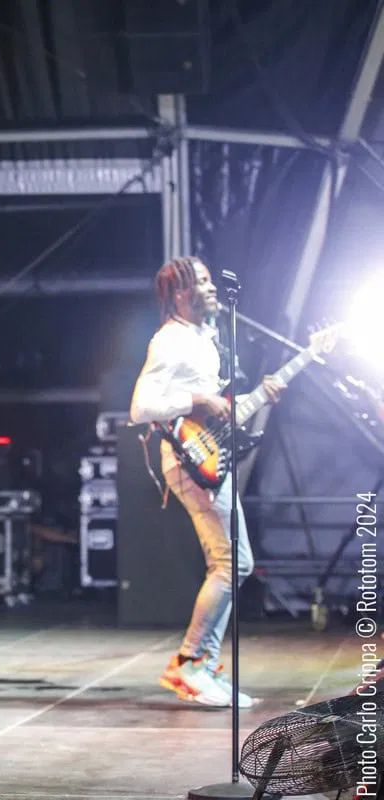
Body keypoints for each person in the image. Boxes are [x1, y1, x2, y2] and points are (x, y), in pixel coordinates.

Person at [129, 256, 283, 708]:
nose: (211, 287)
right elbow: (141, 407)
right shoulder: (169, 341)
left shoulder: (205, 335)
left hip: (208, 457)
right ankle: (190, 664)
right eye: (201, 281)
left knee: (234, 563)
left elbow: (221, 409)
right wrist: (197, 397)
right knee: (231, 562)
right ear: (179, 293)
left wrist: (259, 397)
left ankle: (199, 663)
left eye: (211, 279)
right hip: (188, 461)